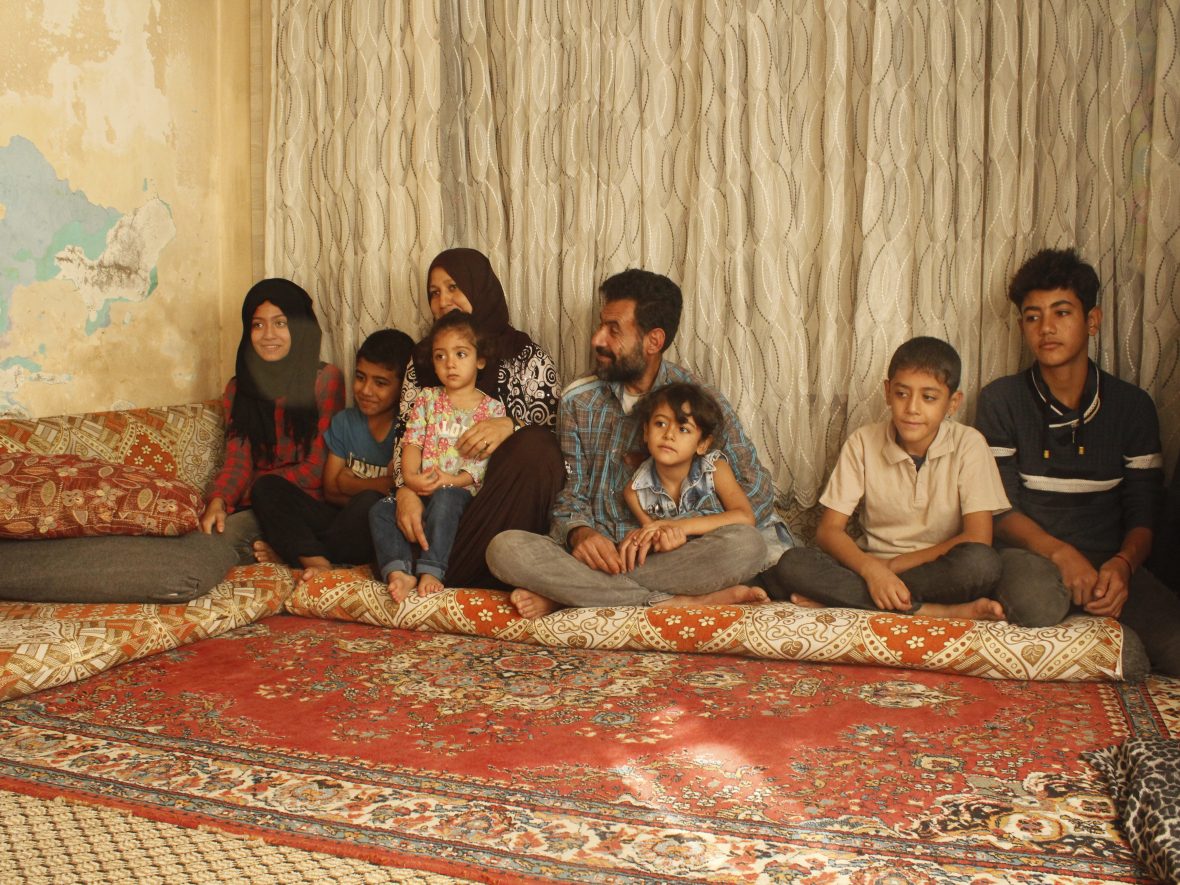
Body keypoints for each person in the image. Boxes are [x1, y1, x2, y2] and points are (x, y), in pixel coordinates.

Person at [487, 268, 791, 618]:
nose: (597, 339)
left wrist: (678, 530)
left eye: (613, 330)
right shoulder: (578, 402)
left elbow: (757, 493)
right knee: (504, 548)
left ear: (653, 341)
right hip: (607, 557)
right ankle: (677, 601)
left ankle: (574, 595)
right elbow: (571, 494)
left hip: (678, 557)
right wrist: (581, 534)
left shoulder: (701, 402)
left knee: (746, 546)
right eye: (601, 326)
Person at [975, 247, 1180, 675]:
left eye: (1061, 313)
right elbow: (998, 509)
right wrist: (1061, 553)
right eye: (1033, 317)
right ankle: (1108, 649)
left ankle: (1110, 641)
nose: (1046, 328)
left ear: (1092, 321)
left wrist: (1123, 566)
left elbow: (1145, 509)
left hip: (1110, 560)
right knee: (1037, 604)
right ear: (1021, 326)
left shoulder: (1132, 406)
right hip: (1031, 554)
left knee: (1175, 647)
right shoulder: (1001, 400)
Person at [759, 337, 1008, 620]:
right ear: (888, 392)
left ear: (953, 403)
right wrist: (870, 569)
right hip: (868, 565)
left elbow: (978, 536)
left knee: (982, 564)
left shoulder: (969, 444)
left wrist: (889, 569)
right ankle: (932, 611)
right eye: (902, 394)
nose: (912, 408)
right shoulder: (863, 442)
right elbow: (829, 531)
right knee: (793, 564)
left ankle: (848, 598)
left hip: (936, 570)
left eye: (928, 397)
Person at [390, 248, 564, 589]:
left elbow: (558, 444)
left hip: (496, 508)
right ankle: (448, 567)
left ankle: (450, 567)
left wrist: (512, 426)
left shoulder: (526, 356)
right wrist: (404, 491)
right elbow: (404, 438)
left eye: (453, 287)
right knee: (369, 511)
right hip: (434, 508)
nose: (443, 300)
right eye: (434, 293)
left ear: (480, 286)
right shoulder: (424, 360)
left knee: (536, 444)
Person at [249, 328, 414, 580]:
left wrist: (350, 483)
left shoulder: (407, 428)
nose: (366, 390)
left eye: (380, 383)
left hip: (372, 532)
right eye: (360, 378)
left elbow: (392, 492)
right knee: (266, 487)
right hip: (338, 522)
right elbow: (331, 491)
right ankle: (316, 560)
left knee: (371, 504)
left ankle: (298, 552)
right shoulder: (345, 421)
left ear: (403, 386)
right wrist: (374, 485)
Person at [199, 279, 345, 562]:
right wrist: (218, 501)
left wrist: (257, 489)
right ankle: (285, 552)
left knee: (222, 543)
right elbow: (237, 460)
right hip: (254, 504)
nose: (268, 335)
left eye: (280, 323)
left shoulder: (325, 380)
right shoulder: (238, 389)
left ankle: (301, 552)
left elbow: (317, 469)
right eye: (258, 325)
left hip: (303, 506)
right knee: (206, 530)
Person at [370, 311, 506, 601]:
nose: (450, 364)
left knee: (445, 499)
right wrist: (409, 480)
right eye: (440, 356)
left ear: (480, 359)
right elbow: (413, 443)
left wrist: (454, 480)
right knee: (381, 509)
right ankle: (399, 571)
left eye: (460, 354)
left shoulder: (492, 410)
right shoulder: (427, 399)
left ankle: (432, 570)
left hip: (461, 495)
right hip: (422, 489)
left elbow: (484, 464)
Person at [621, 382, 758, 563]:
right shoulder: (634, 491)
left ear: (703, 444)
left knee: (749, 544)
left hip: (720, 552)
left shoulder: (715, 469)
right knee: (643, 563)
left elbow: (745, 517)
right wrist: (664, 544)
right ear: (646, 431)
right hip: (683, 562)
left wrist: (681, 526)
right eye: (660, 423)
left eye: (683, 429)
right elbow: (653, 536)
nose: (669, 435)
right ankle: (713, 592)